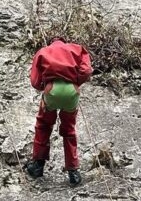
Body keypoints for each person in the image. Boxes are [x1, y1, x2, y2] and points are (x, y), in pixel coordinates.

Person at [24, 38, 92, 186]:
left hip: (52, 90)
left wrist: (45, 85)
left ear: (52, 42)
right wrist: (75, 80)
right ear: (64, 42)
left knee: (43, 125)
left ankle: (38, 166)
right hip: (72, 91)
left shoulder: (43, 51)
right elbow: (86, 70)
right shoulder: (77, 49)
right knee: (69, 131)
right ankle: (73, 172)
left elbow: (35, 81)